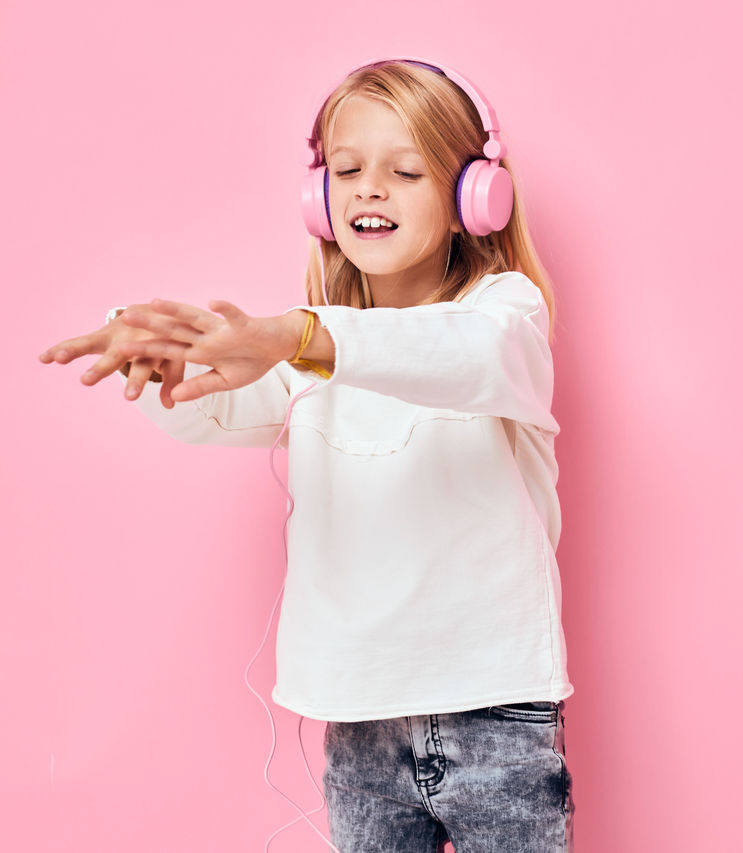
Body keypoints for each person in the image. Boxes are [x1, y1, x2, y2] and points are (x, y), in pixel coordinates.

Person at [39, 59, 572, 852]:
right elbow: (209, 413)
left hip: (496, 710)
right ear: (320, 200)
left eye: (405, 171)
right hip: (358, 719)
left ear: (475, 199)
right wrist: (164, 363)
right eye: (349, 170)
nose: (369, 189)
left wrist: (302, 334)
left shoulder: (504, 315)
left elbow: (463, 352)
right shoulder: (301, 349)